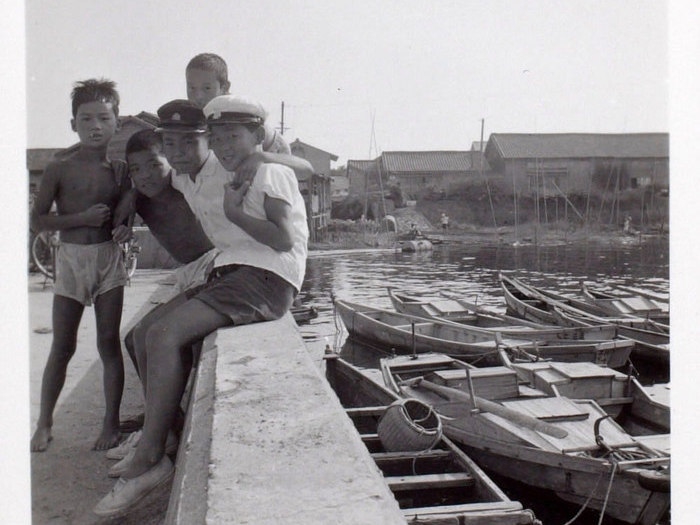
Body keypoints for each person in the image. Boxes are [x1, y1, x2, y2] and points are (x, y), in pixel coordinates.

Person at [94, 97, 308, 516]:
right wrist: (126, 204)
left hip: (266, 276)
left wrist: (249, 177)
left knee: (164, 335)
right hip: (235, 269)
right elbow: (148, 175)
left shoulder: (244, 168)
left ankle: (150, 460)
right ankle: (166, 433)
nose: (176, 153)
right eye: (169, 145)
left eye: (189, 143)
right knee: (140, 335)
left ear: (205, 142)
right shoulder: (185, 174)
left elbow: (287, 224)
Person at [30, 79, 130, 452]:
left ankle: (111, 424)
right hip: (71, 260)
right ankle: (43, 423)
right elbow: (37, 221)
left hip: (107, 259)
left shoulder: (120, 171)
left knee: (108, 343)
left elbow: (125, 211)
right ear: (73, 124)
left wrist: (123, 226)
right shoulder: (60, 166)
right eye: (86, 119)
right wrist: (81, 219)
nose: (95, 126)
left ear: (117, 121)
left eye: (104, 118)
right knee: (62, 346)